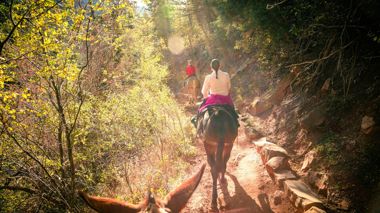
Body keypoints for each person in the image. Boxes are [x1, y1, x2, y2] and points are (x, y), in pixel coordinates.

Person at [191, 59, 237, 127]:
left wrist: (207, 97)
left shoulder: (208, 77)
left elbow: (203, 91)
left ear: (211, 67)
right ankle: (236, 123)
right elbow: (229, 87)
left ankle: (197, 123)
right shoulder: (226, 75)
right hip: (225, 99)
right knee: (233, 112)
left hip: (212, 99)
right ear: (220, 66)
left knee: (200, 111)